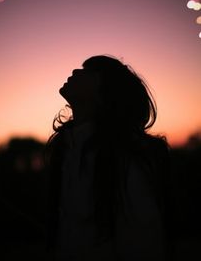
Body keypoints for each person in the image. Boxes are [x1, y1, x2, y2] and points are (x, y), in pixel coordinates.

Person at [43, 55, 172, 261]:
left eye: (89, 71)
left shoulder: (128, 156)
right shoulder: (68, 146)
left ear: (106, 92)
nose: (76, 72)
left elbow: (143, 239)